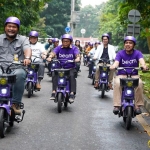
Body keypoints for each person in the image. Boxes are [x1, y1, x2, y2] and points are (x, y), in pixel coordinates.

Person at [0, 16, 31, 115]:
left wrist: (27, 58)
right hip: (1, 67)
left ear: (17, 29)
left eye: (14, 27)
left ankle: (15, 104)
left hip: (16, 68)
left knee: (20, 74)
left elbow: (27, 49)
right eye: (9, 26)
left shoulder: (23, 39)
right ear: (5, 27)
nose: (11, 29)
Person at [110, 36, 148, 115]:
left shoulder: (138, 53)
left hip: (134, 76)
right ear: (124, 45)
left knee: (140, 83)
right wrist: (114, 66)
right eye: (126, 43)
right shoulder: (120, 53)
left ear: (134, 45)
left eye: (130, 43)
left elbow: (142, 61)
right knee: (117, 83)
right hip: (121, 75)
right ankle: (117, 105)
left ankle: (137, 106)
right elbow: (116, 62)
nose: (128, 44)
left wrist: (144, 66)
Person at [47, 34, 80, 103]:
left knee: (72, 76)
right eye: (64, 41)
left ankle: (72, 94)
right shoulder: (59, 48)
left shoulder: (74, 48)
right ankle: (53, 92)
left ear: (70, 42)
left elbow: (77, 54)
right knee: (54, 74)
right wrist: (50, 57)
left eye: (67, 41)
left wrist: (77, 58)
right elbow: (53, 52)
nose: (65, 43)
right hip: (59, 67)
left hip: (70, 68)